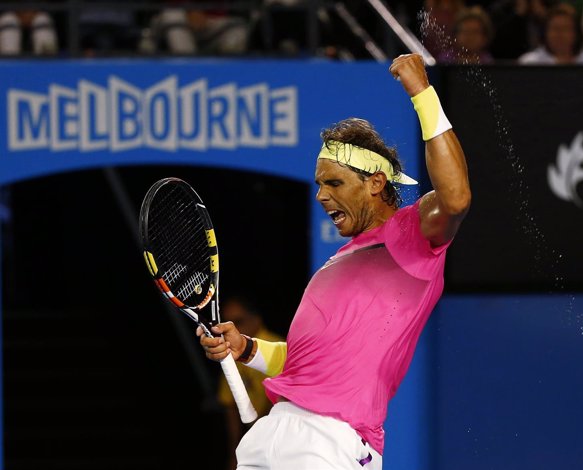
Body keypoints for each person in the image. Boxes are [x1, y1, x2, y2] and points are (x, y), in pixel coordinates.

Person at [198, 53, 471, 469]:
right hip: (274, 430)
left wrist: (422, 93)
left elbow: (456, 197)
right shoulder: (339, 261)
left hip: (330, 439)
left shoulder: (410, 235)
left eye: (335, 183)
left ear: (376, 183)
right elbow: (311, 360)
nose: (321, 195)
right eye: (319, 184)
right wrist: (248, 348)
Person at [216, 296, 283, 470]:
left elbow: (280, 400)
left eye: (239, 321)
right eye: (228, 323)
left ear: (256, 319)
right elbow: (229, 404)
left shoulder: (279, 349)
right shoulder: (229, 352)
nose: (233, 329)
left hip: (279, 437)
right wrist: (234, 451)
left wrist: (257, 437)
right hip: (254, 436)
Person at [518, 4, 583, 64]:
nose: (560, 34)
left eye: (565, 28)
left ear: (576, 33)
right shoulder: (530, 62)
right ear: (545, 32)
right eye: (555, 29)